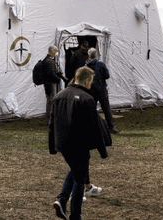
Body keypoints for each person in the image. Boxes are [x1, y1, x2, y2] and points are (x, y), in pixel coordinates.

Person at [49, 66, 110, 220]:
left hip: (63, 144)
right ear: (87, 80)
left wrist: (52, 146)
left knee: (76, 171)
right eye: (91, 80)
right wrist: (103, 151)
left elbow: (51, 123)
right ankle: (73, 213)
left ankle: (62, 201)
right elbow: (94, 128)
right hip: (79, 145)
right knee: (80, 177)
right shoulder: (87, 99)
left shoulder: (58, 96)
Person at [86, 48, 118, 134]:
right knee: (106, 108)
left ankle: (91, 127)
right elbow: (107, 76)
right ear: (96, 55)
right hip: (101, 89)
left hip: (90, 89)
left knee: (91, 108)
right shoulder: (101, 64)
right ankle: (111, 127)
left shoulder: (86, 66)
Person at [42, 45, 69, 124]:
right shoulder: (49, 61)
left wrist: (62, 78)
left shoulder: (51, 60)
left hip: (51, 83)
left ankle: (52, 118)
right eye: (55, 50)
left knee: (52, 100)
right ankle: (49, 119)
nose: (57, 52)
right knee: (51, 100)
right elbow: (51, 73)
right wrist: (59, 79)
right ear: (51, 51)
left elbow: (56, 71)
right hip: (50, 84)